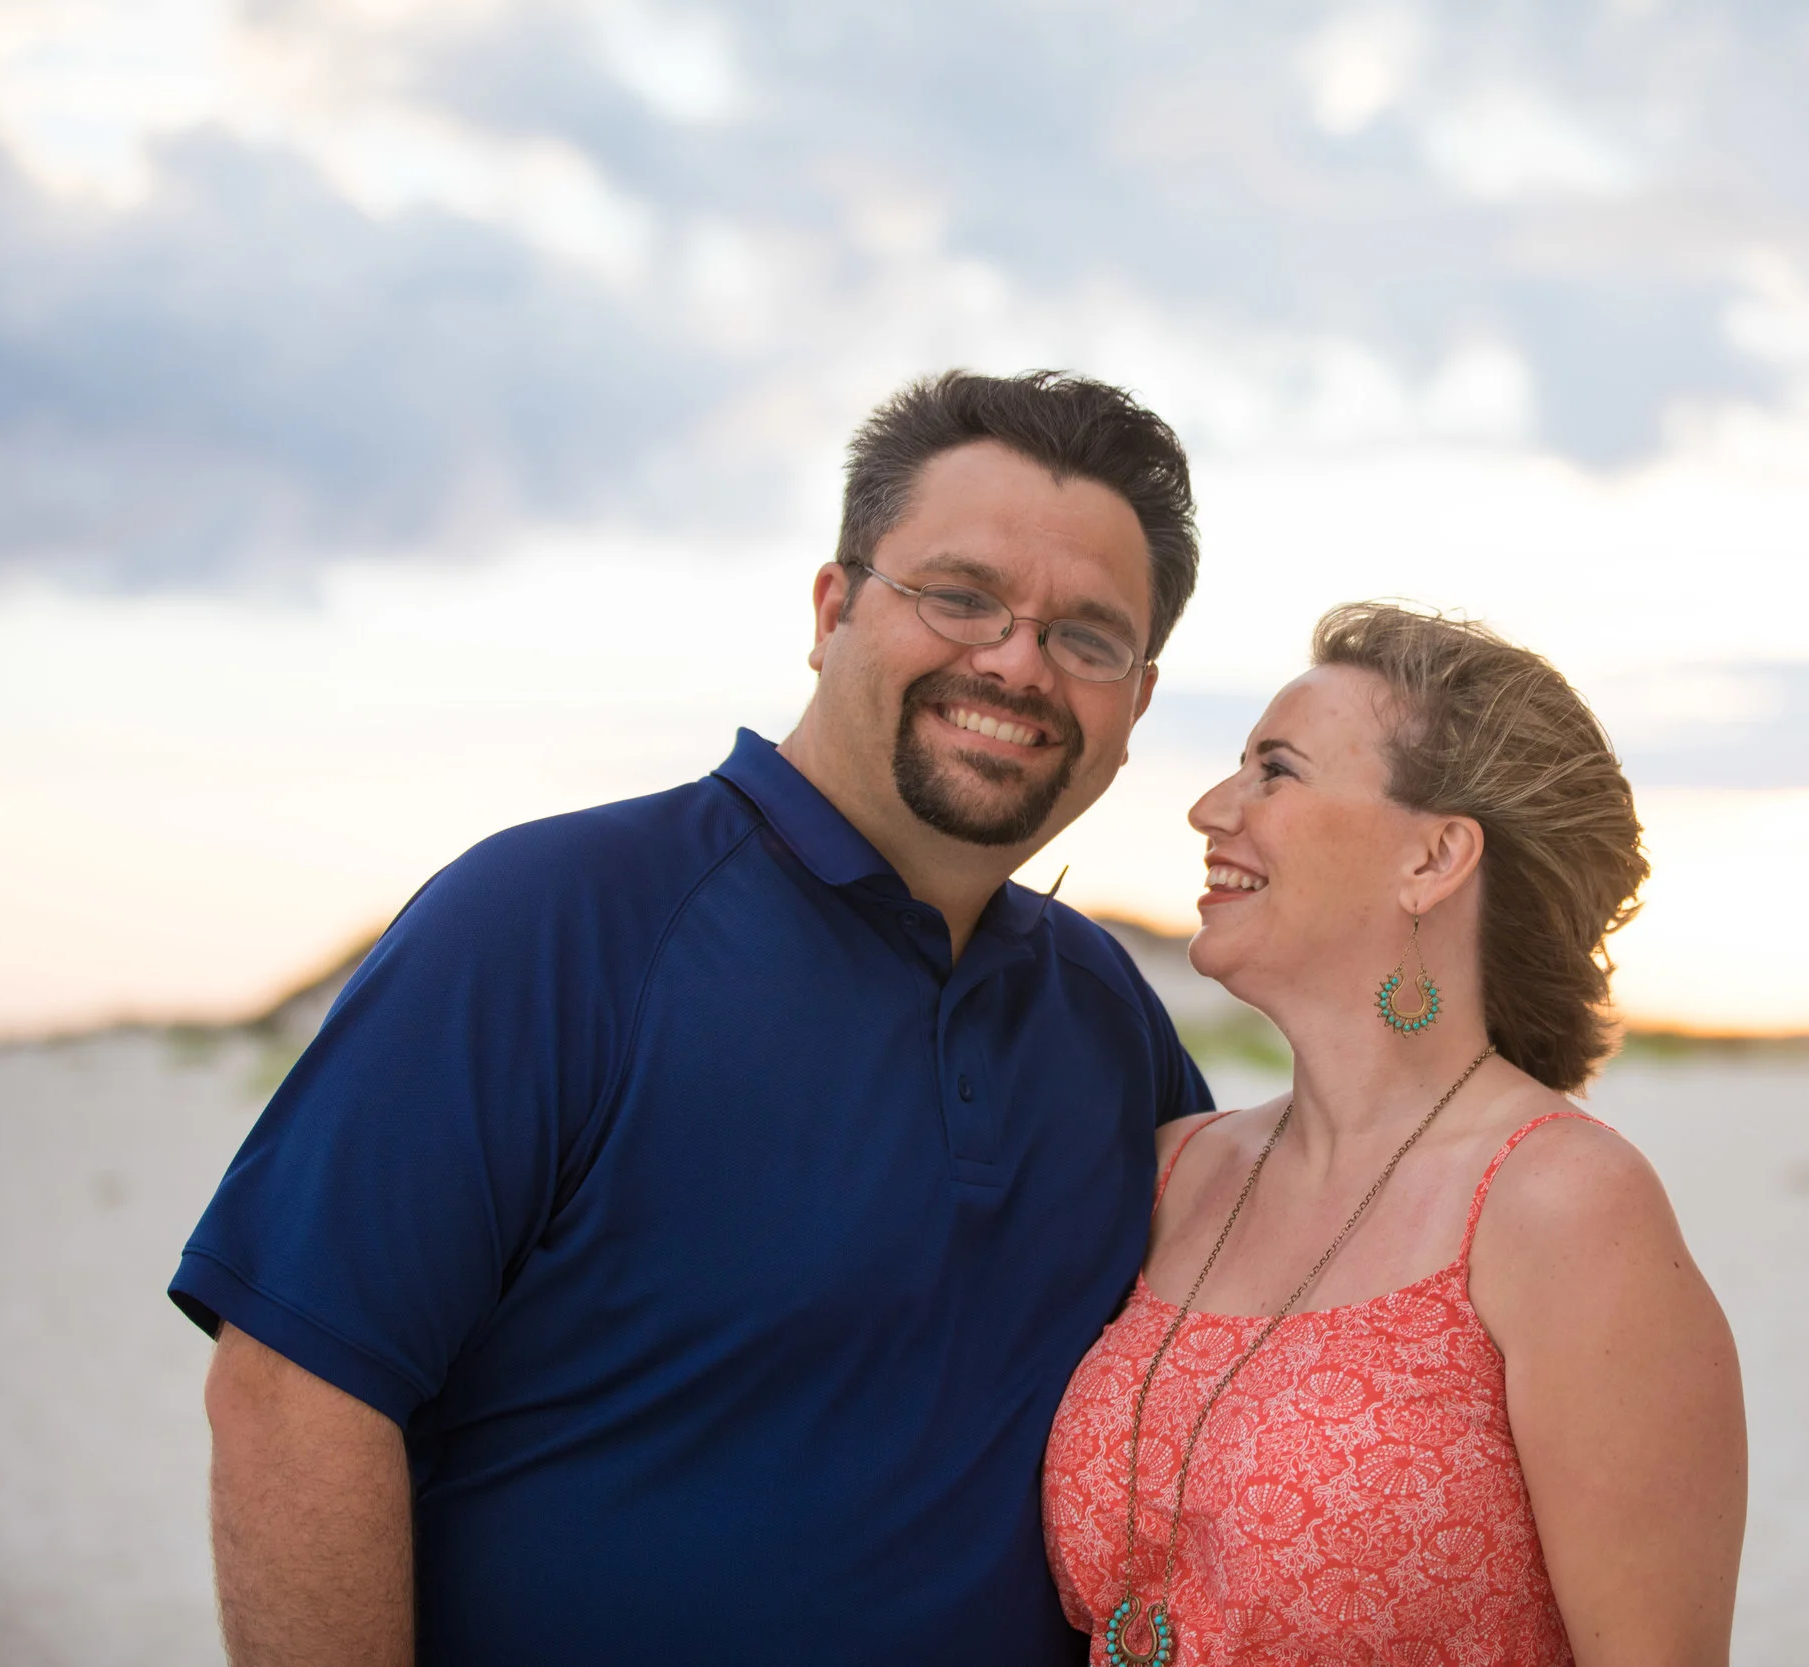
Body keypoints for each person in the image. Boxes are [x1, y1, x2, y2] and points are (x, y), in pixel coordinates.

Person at [171, 370, 1216, 1666]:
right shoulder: (547, 920)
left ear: (1139, 701)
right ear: (833, 609)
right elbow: (291, 1393)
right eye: (960, 595)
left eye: (1088, 635)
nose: (1016, 659)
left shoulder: (1108, 1014)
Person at [1044, 603, 1748, 1666]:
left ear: (1434, 856)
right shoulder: (1175, 1172)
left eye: (1274, 769)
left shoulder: (1560, 1204)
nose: (1207, 806)